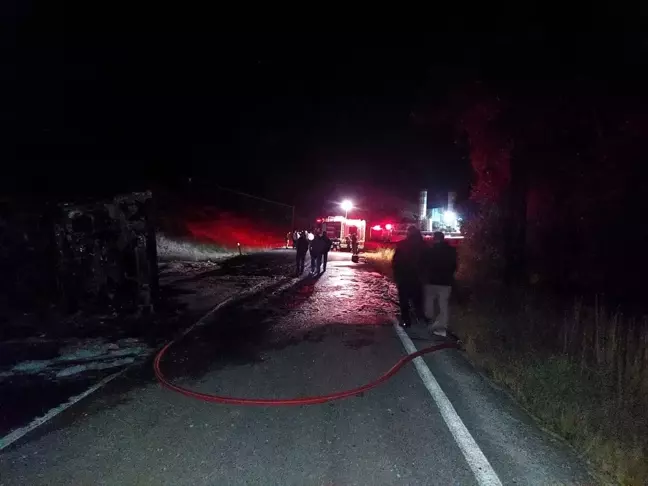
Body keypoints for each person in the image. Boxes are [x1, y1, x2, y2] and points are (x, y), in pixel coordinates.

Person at [422, 231, 457, 338]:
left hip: (431, 281)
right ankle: (441, 328)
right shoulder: (452, 251)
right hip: (446, 282)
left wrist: (425, 276)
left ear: (434, 239)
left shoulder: (429, 251)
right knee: (443, 305)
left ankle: (430, 321)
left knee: (429, 302)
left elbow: (424, 264)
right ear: (443, 238)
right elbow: (454, 265)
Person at [391, 226, 427, 328]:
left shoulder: (402, 245)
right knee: (418, 299)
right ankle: (420, 318)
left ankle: (406, 320)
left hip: (404, 277)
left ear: (408, 233)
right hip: (418, 278)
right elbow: (428, 262)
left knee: (404, 300)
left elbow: (395, 262)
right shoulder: (423, 245)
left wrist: (396, 275)